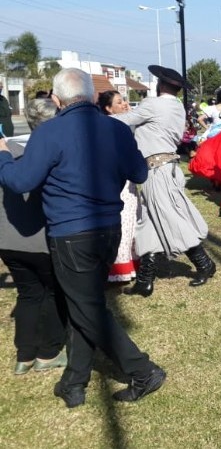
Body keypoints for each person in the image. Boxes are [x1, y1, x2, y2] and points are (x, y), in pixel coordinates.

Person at [0, 68, 164, 407]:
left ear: (57, 100)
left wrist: (2, 156)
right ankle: (74, 381)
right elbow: (138, 171)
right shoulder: (117, 129)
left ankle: (142, 370)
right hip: (108, 228)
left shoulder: (51, 132)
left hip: (71, 233)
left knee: (87, 307)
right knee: (83, 304)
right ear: (91, 96)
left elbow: (20, 181)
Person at [115, 65, 215, 297]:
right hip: (164, 167)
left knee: (171, 219)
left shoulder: (153, 105)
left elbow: (124, 120)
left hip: (157, 170)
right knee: (148, 223)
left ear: (160, 84)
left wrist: (98, 116)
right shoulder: (177, 106)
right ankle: (145, 280)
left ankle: (204, 263)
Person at [0, 98, 67, 376]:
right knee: (52, 293)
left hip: (7, 239)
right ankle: (49, 352)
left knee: (28, 294)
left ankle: (24, 355)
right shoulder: (53, 152)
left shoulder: (8, 150)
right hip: (40, 238)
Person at [97, 90, 140, 283]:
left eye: (124, 101)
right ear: (108, 108)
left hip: (127, 178)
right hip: (119, 178)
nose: (124, 104)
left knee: (132, 220)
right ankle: (119, 266)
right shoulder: (112, 126)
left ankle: (130, 261)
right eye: (119, 102)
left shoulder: (122, 123)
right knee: (124, 219)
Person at [190, 88, 221, 190]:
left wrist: (208, 128)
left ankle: (216, 180)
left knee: (213, 158)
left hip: (214, 135)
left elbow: (199, 119)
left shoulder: (211, 108)